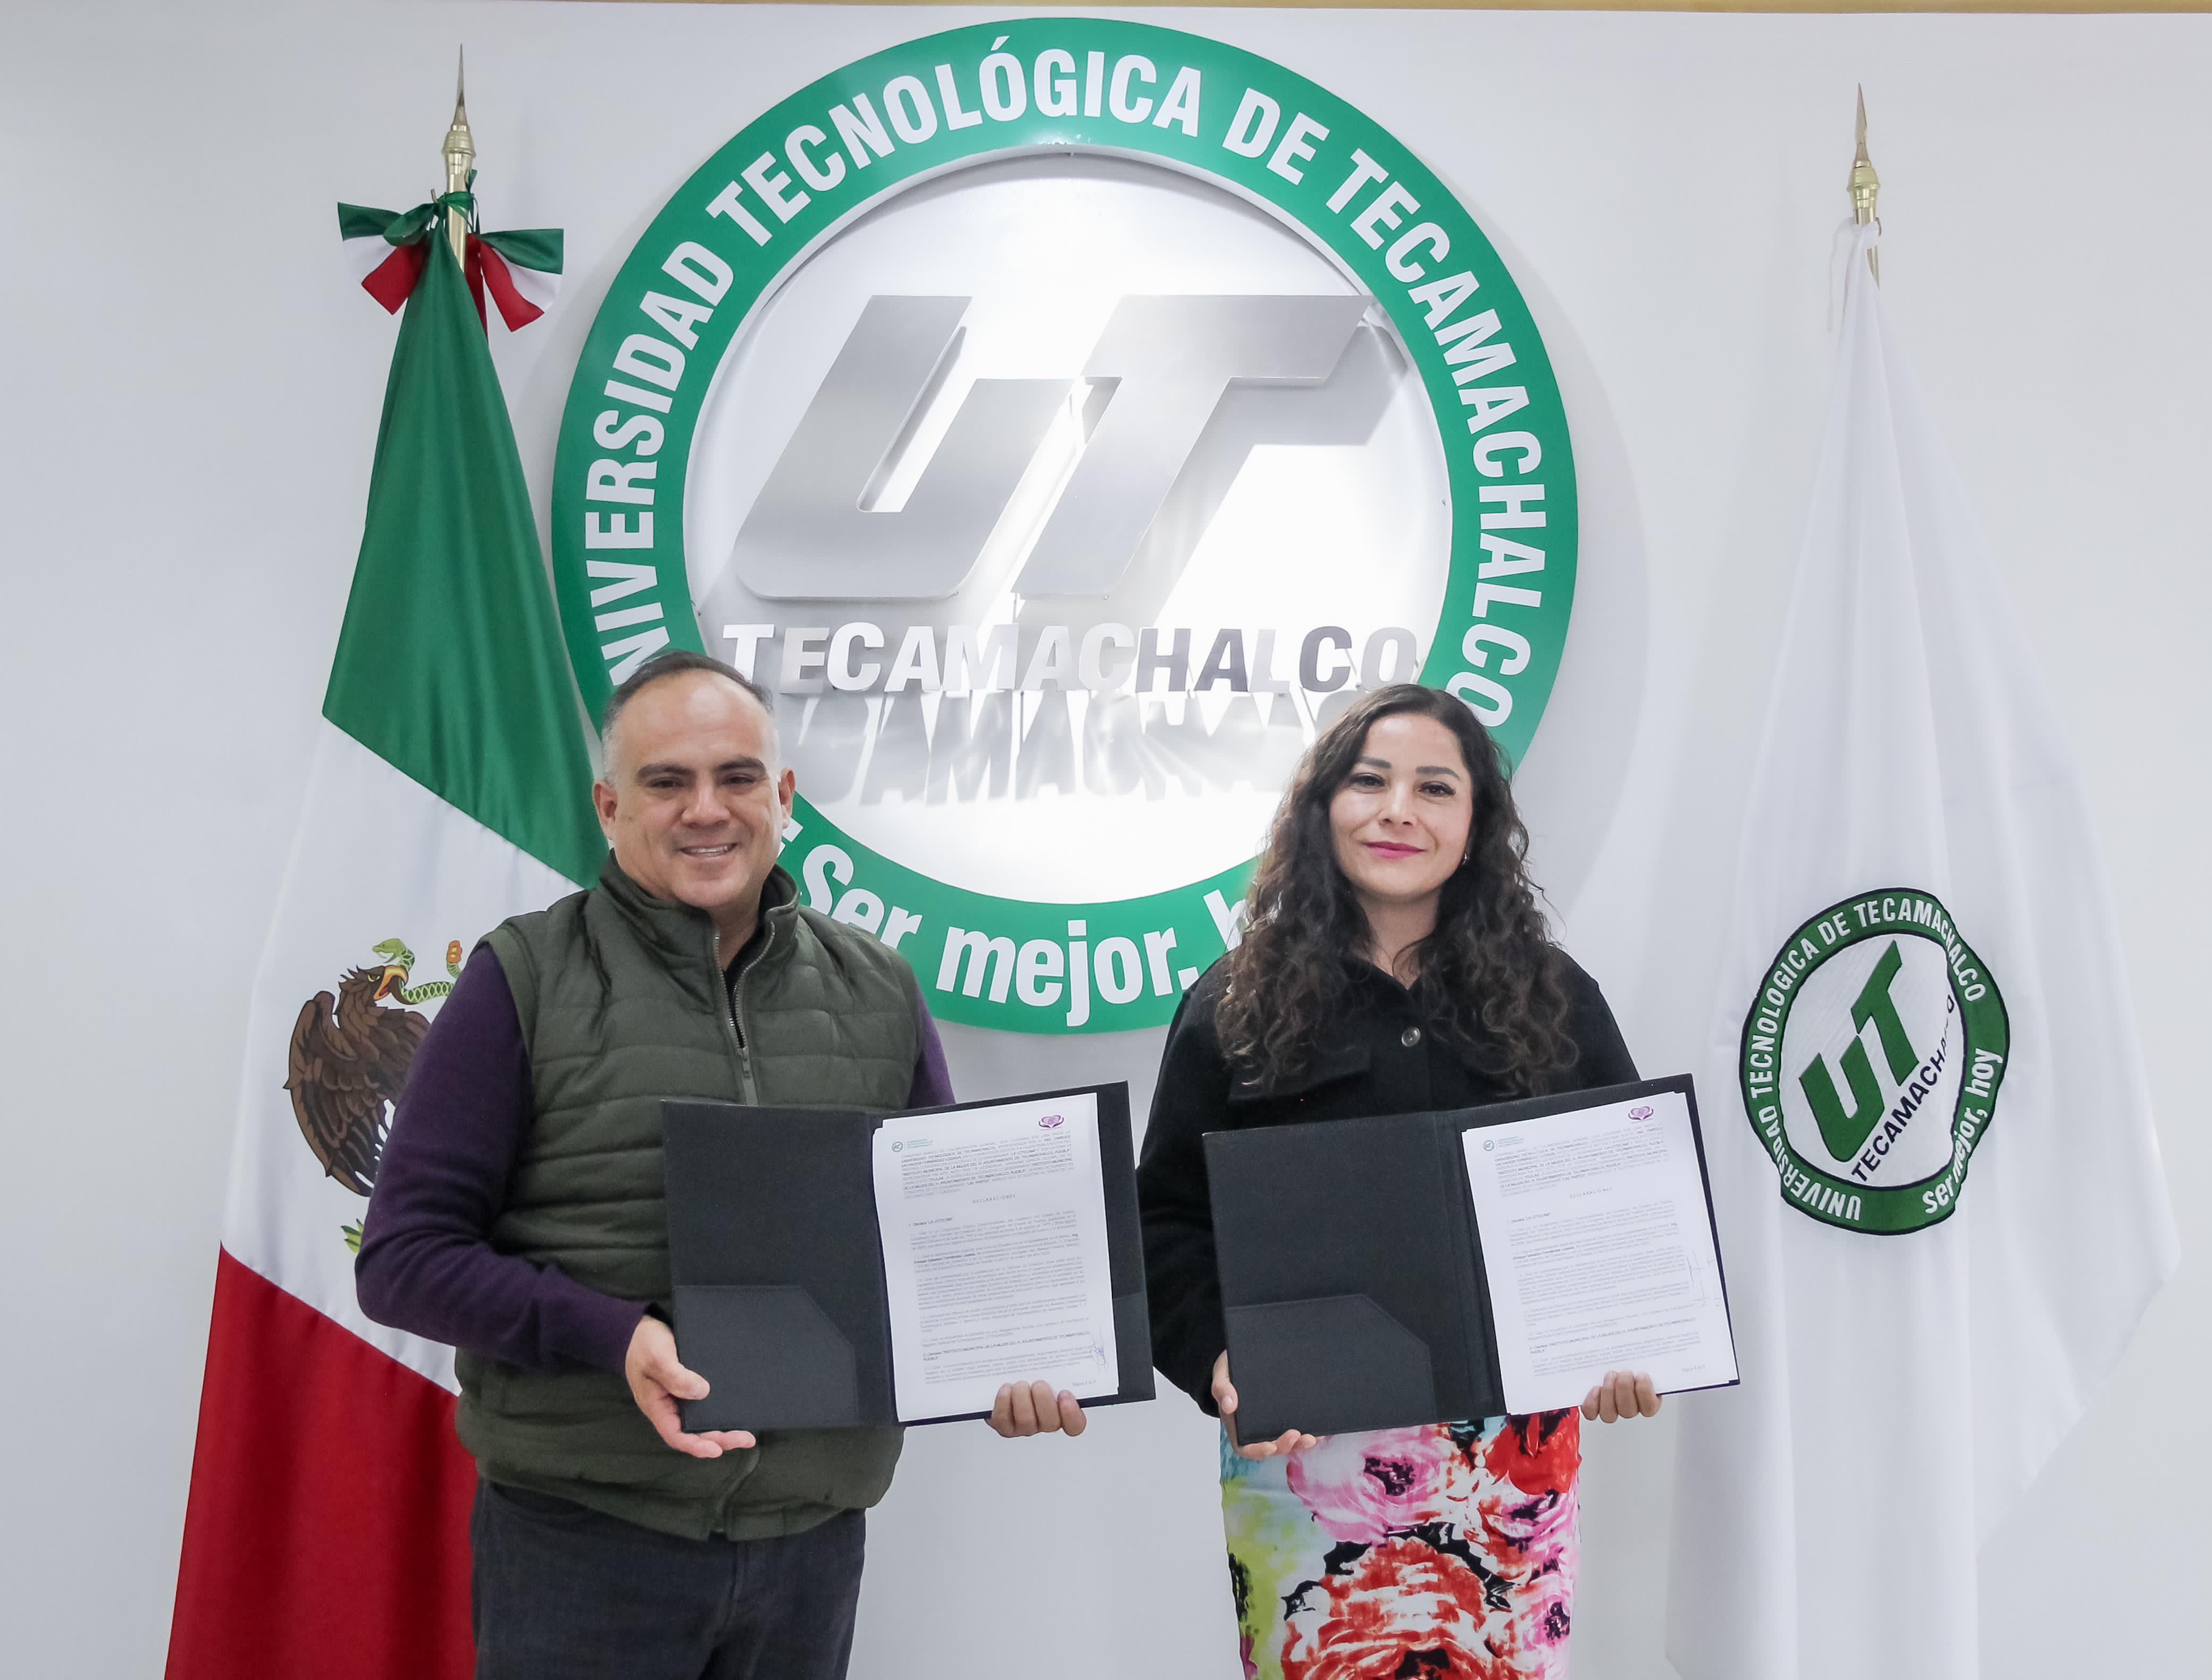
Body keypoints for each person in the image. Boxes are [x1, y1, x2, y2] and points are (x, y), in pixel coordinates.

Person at [357, 650, 1085, 1680]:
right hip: (583, 1541)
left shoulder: (879, 987)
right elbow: (403, 1260)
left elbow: (944, 1247)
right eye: (668, 781)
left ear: (782, 795)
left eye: (737, 776)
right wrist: (616, 1336)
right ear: (610, 807)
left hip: (809, 1549)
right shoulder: (522, 978)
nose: (707, 809)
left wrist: (1006, 1363)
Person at [1136, 682, 1661, 1680]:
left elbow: (1627, 1198)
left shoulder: (1553, 997)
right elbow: (1164, 1216)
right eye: (1369, 781)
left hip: (1512, 1469)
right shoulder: (1233, 1004)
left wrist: (1629, 1340)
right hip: (1305, 1464)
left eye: (1435, 788)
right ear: (1322, 806)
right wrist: (1216, 1358)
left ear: (1477, 823)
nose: (1398, 811)